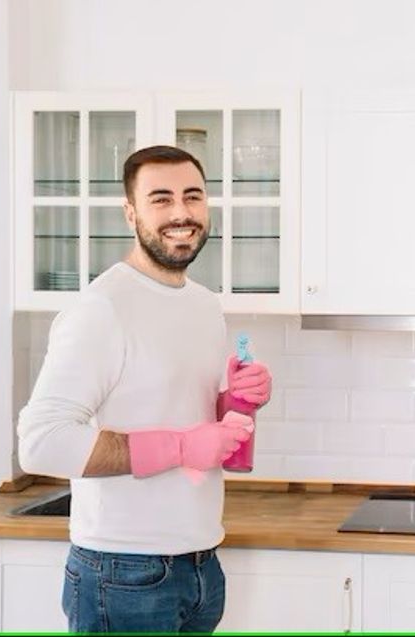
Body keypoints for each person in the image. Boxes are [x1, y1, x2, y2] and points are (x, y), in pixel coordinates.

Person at [18, 145, 272, 633]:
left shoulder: (203, 304)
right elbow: (41, 443)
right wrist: (180, 446)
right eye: (161, 199)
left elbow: (187, 414)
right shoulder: (101, 309)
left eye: (192, 196)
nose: (181, 212)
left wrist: (239, 400)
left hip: (200, 562)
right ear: (130, 212)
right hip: (122, 572)